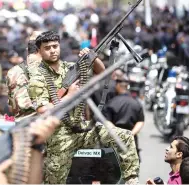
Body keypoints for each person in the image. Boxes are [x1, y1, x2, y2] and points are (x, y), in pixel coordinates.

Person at [28, 31, 140, 184]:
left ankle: (131, 180)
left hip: (81, 128)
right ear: (39, 51)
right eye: (47, 48)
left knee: (125, 136)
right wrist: (69, 96)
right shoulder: (37, 78)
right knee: (54, 181)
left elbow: (104, 73)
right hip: (58, 136)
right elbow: (43, 110)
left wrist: (93, 58)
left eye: (55, 46)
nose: (52, 50)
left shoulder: (70, 68)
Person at [102, 74, 145, 160]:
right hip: (131, 140)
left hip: (114, 140)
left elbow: (107, 121)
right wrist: (131, 134)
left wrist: (117, 134)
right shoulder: (136, 103)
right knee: (132, 168)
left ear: (118, 86)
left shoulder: (111, 102)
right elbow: (140, 121)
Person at [6, 31, 42, 120]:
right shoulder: (53, 69)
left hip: (22, 124)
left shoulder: (13, 72)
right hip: (46, 125)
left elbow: (12, 108)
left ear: (27, 50)